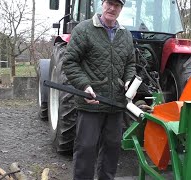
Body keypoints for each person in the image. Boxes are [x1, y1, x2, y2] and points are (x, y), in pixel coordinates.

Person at [62, 0, 136, 179]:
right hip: (91, 102)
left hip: (116, 104)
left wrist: (128, 80)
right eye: (109, 3)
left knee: (112, 150)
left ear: (121, 9)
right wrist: (84, 86)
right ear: (102, 4)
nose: (112, 8)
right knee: (86, 149)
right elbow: (70, 62)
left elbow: (130, 63)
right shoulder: (84, 29)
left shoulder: (125, 35)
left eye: (117, 5)